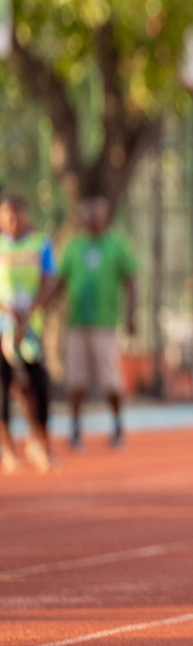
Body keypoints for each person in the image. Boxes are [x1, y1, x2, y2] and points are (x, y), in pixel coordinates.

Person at [54, 195, 138, 449]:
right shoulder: (74, 246)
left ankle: (117, 427)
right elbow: (60, 281)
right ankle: (76, 429)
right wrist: (45, 308)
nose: (92, 219)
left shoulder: (118, 245)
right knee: (76, 380)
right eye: (87, 214)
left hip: (105, 323)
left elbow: (131, 283)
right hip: (76, 322)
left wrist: (131, 316)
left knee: (110, 379)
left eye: (97, 214)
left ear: (106, 216)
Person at [0, 193, 59, 473]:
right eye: (6, 213)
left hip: (31, 329)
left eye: (17, 212)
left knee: (38, 388)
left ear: (25, 213)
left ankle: (40, 444)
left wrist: (31, 311)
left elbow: (50, 280)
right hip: (3, 329)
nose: (12, 219)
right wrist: (9, 312)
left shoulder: (41, 243)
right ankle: (8, 450)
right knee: (2, 390)